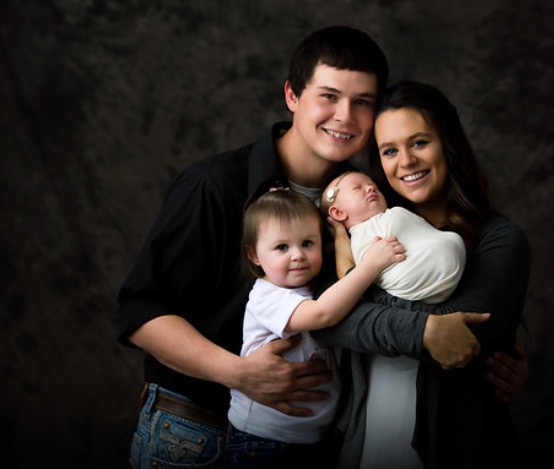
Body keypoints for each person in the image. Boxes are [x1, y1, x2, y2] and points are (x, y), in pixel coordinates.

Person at [117, 25, 528, 469]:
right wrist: (239, 374)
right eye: (329, 96)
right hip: (198, 431)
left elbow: (354, 312)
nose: (345, 116)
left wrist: (483, 358)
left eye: (363, 102)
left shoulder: (368, 205)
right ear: (292, 95)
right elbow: (140, 311)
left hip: (313, 443)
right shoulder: (216, 186)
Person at [313, 80, 532, 469]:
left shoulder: (499, 241)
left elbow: (457, 335)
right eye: (390, 151)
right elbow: (323, 322)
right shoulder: (364, 232)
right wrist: (423, 328)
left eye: (419, 143)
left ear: (448, 144)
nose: (406, 161)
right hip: (367, 445)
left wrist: (354, 283)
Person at [224, 187, 404, 468]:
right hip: (263, 442)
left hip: (311, 441)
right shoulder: (267, 297)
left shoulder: (309, 288)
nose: (298, 255)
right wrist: (371, 265)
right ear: (254, 255)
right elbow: (323, 314)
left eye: (308, 243)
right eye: (282, 247)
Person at [321, 170, 466, 303]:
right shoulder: (361, 236)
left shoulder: (392, 213)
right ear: (339, 213)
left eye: (374, 186)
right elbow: (360, 275)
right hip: (415, 280)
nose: (371, 188)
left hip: (447, 263)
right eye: (357, 188)